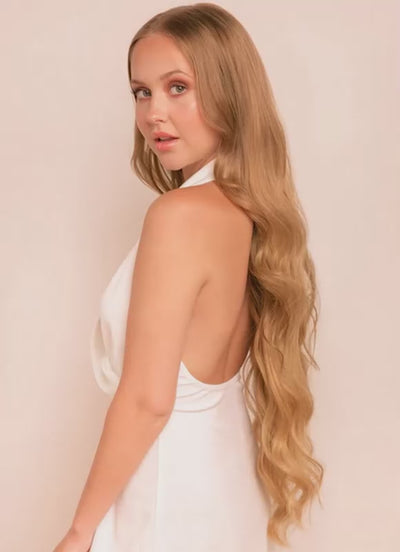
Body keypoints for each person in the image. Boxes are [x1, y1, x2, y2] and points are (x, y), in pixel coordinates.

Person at [52, 4, 324, 552]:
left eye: (178, 87)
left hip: (165, 496)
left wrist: (79, 532)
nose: (154, 112)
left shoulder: (178, 216)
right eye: (141, 92)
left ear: (231, 92)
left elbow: (148, 400)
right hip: (226, 491)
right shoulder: (245, 213)